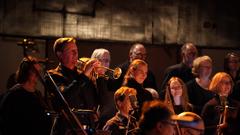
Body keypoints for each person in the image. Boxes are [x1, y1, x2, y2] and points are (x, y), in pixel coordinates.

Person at [45, 37, 100, 134]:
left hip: (86, 130)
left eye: (76, 50)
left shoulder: (83, 76)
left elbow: (98, 101)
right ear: (60, 54)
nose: (76, 54)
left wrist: (99, 78)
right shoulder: (52, 75)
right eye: (72, 51)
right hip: (67, 130)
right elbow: (65, 98)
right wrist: (84, 75)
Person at [0, 56, 52, 135]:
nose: (38, 76)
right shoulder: (13, 95)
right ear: (26, 72)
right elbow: (6, 123)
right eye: (35, 72)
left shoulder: (37, 94)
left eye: (39, 72)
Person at [90, 48, 117, 129]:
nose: (107, 64)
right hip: (93, 121)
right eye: (104, 60)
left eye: (108, 61)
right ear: (95, 61)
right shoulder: (89, 78)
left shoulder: (106, 79)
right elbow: (102, 99)